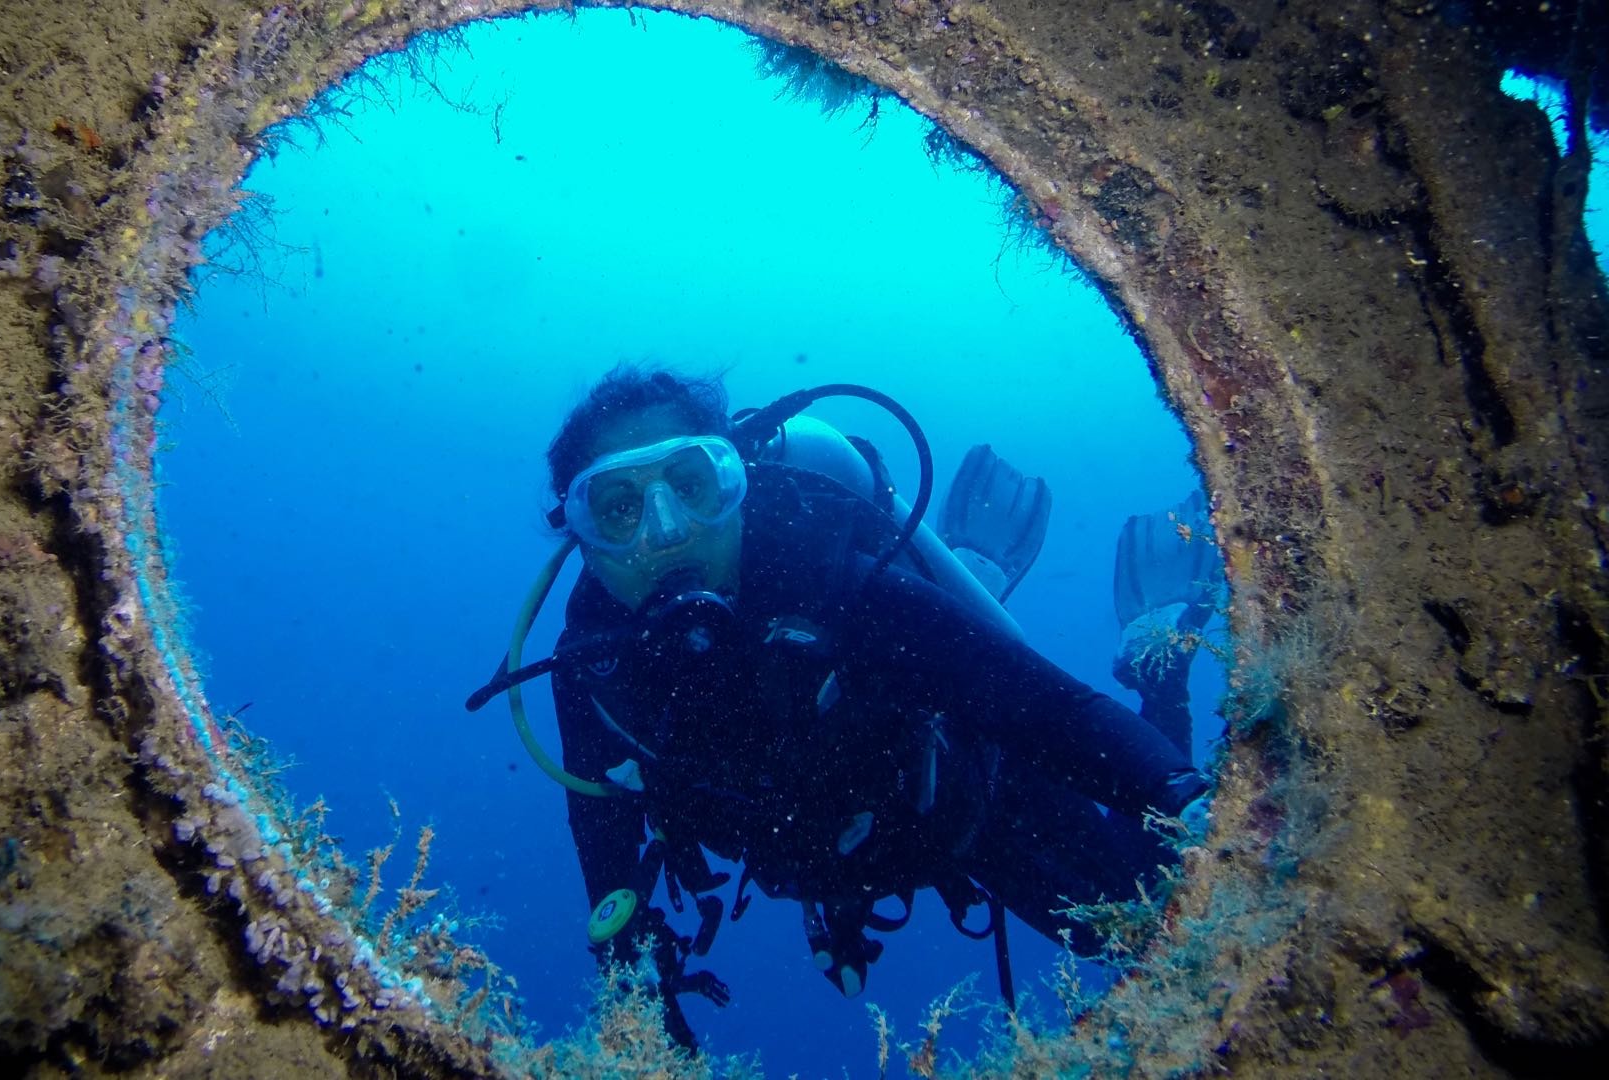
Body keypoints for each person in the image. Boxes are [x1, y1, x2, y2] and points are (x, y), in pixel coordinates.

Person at [472, 365, 1213, 1049]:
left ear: (740, 483)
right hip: (817, 855)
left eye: (692, 484)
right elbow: (602, 837)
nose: (665, 533)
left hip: (961, 799)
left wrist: (1177, 791)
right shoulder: (594, 668)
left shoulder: (832, 582)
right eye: (618, 508)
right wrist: (636, 981)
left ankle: (1157, 661)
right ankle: (964, 574)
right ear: (583, 539)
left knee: (1123, 924)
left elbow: (1046, 707)